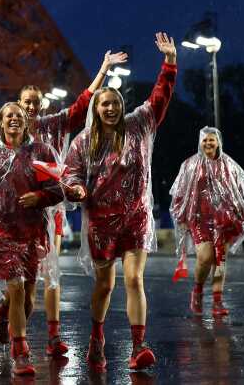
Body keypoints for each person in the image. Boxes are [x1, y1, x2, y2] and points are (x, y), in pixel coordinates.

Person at [63, 32, 177, 372]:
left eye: (114, 103)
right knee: (105, 284)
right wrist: (76, 189)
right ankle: (96, 337)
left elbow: (159, 98)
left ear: (122, 106)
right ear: (97, 110)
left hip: (136, 219)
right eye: (104, 104)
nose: (110, 108)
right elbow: (69, 174)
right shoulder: (85, 141)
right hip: (100, 222)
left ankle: (139, 345)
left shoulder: (139, 125)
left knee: (133, 280)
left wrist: (169, 63)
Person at [13, 50, 128, 357]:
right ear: (18, 105)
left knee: (52, 272)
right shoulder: (8, 131)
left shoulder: (57, 124)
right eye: (26, 103)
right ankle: (14, 325)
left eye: (36, 102)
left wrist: (103, 68)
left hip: (51, 208)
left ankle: (52, 336)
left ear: (42, 104)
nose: (32, 107)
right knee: (24, 279)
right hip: (21, 210)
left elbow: (85, 100)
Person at [0, 100, 64, 377]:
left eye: (19, 115)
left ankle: (2, 313)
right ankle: (21, 352)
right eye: (9, 116)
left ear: (26, 121)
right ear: (1, 121)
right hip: (2, 234)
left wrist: (40, 196)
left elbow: (58, 189)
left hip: (33, 235)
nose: (14, 119)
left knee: (28, 300)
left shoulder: (41, 151)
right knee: (16, 289)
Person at [169, 127, 244, 316]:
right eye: (205, 140)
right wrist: (181, 215)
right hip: (199, 218)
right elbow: (180, 192)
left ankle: (218, 300)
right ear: (200, 142)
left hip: (223, 219)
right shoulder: (191, 164)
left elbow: (241, 191)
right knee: (206, 257)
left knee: (221, 260)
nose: (208, 143)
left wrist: (241, 212)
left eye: (212, 140)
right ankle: (198, 290)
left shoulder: (229, 164)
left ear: (218, 142)